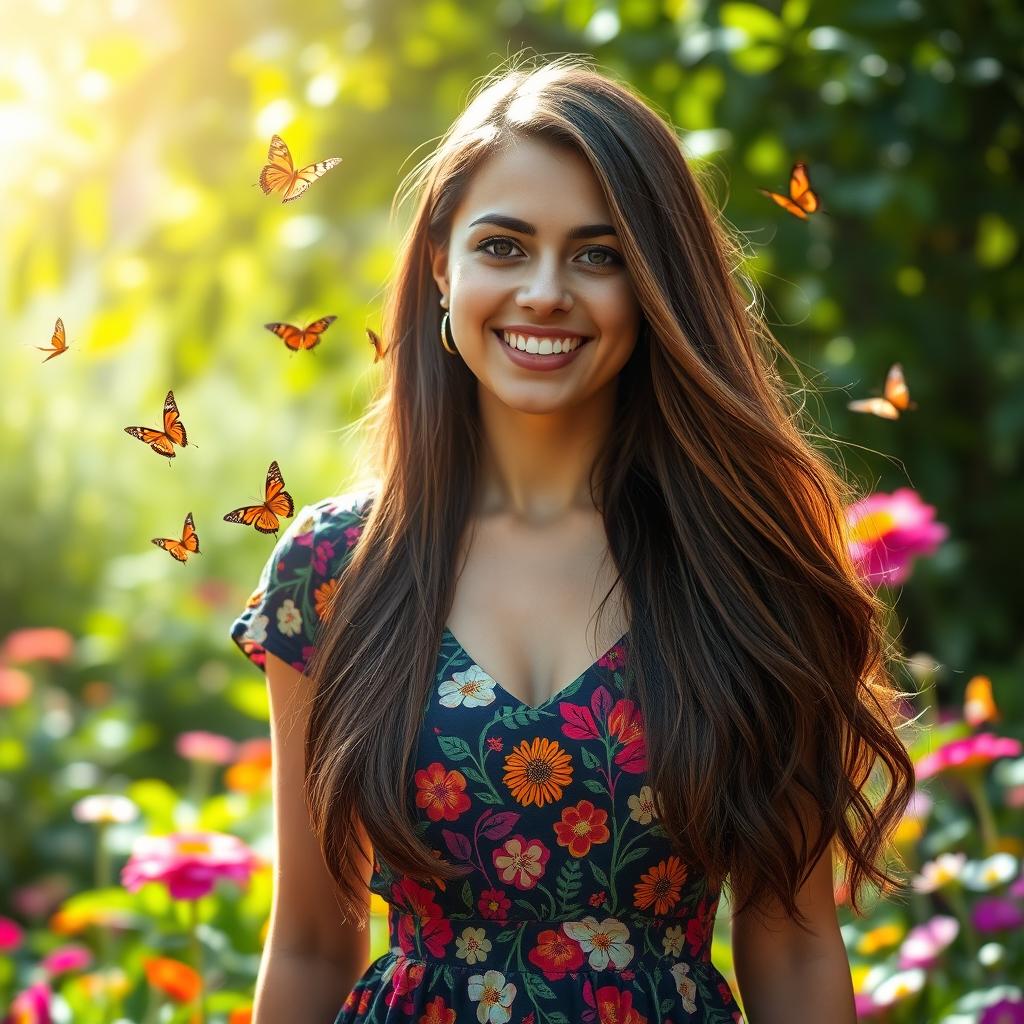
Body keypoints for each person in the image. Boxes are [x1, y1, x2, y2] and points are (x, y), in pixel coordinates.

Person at [230, 53, 915, 1024]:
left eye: (598, 255)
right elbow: (308, 939)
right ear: (440, 263)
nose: (545, 292)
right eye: (503, 247)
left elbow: (793, 946)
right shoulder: (332, 569)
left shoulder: (744, 564)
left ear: (653, 284)